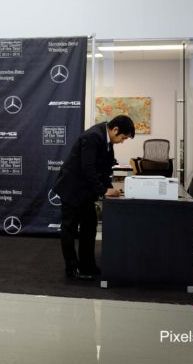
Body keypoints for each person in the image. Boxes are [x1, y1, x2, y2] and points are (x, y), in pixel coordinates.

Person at [53, 115, 135, 280]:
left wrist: (111, 189)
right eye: (123, 138)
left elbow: (104, 168)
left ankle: (88, 265)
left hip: (86, 191)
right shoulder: (92, 136)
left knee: (89, 227)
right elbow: (87, 168)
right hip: (72, 189)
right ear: (115, 130)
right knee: (69, 229)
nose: (122, 141)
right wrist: (104, 191)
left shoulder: (107, 140)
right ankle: (72, 268)